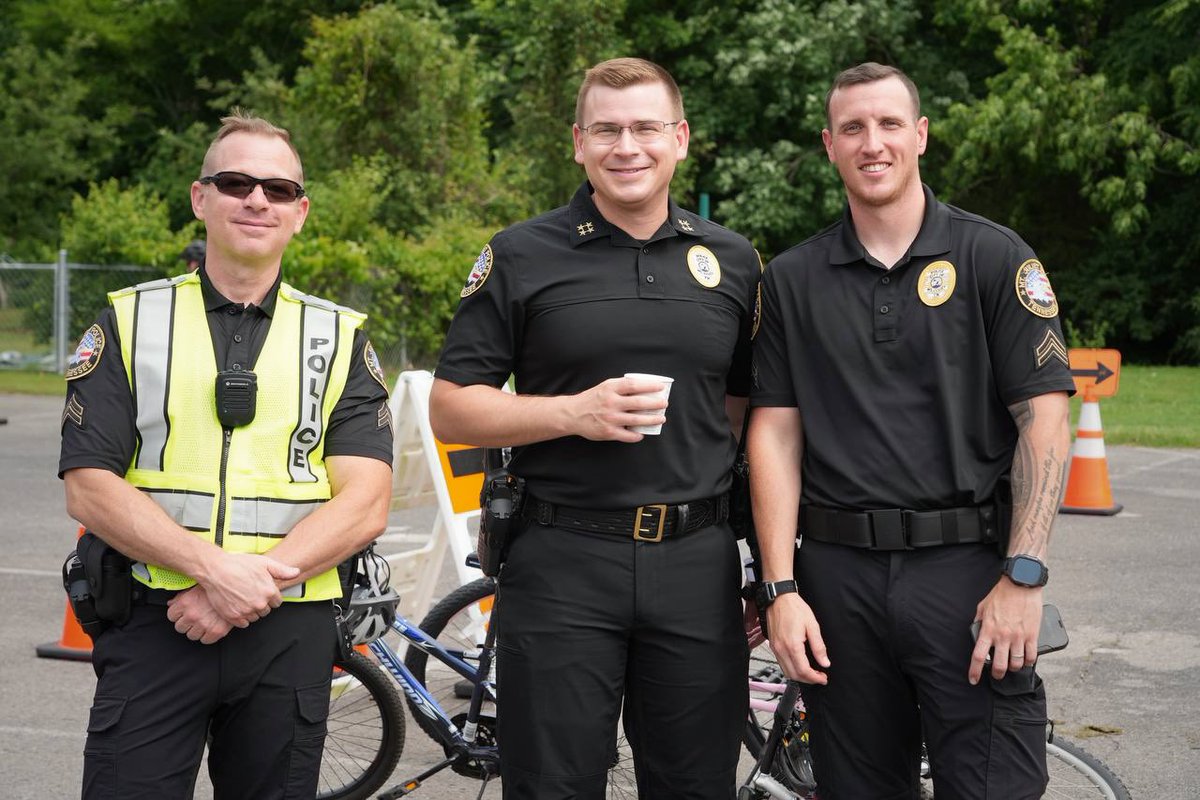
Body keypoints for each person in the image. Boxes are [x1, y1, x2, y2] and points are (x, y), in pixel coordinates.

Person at [429, 57, 760, 799]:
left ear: (680, 138)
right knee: (552, 785)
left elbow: (741, 412)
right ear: (578, 142)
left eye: (646, 128)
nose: (627, 147)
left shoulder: (734, 261)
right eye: (607, 130)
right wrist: (571, 413)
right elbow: (451, 407)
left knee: (697, 785)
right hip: (562, 563)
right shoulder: (520, 254)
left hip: (696, 566)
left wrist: (765, 569)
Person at [748, 62, 1076, 798]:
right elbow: (773, 436)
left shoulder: (994, 257)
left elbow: (1045, 420)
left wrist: (1023, 574)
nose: (873, 143)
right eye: (854, 128)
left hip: (967, 575)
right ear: (829, 144)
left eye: (890, 124)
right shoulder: (793, 280)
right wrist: (780, 589)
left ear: (920, 135)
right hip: (838, 583)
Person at [59, 111, 394, 799]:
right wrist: (212, 572)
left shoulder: (341, 336)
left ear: (299, 212)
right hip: (156, 617)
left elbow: (366, 502)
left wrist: (248, 588)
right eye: (236, 181)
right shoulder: (128, 321)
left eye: (276, 189)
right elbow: (89, 486)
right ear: (200, 197)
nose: (256, 200)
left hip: (289, 631)